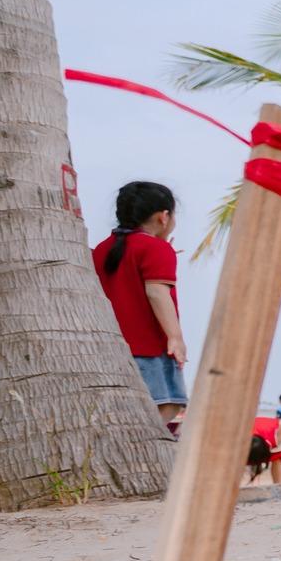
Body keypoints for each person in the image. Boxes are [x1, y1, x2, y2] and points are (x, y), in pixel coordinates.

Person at [92, 180, 188, 425]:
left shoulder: (102, 249)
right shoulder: (155, 248)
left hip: (109, 347)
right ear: (163, 217)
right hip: (149, 347)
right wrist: (175, 337)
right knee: (168, 403)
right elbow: (156, 293)